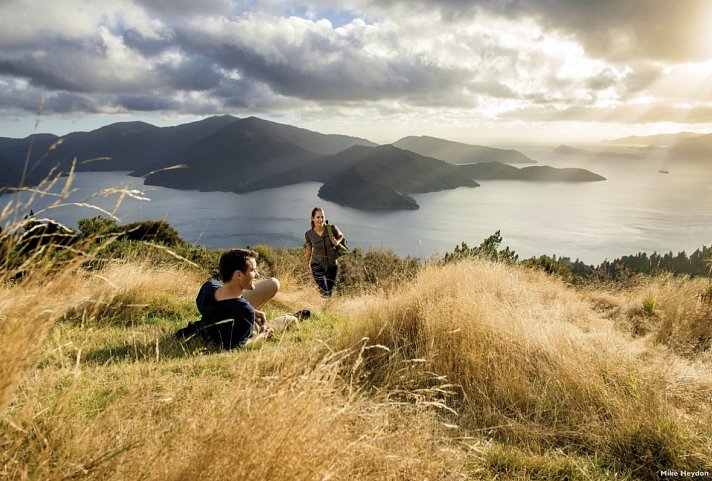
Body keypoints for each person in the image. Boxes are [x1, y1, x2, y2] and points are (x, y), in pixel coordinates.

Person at [177, 248, 298, 349]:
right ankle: (292, 316)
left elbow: (220, 292)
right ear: (239, 274)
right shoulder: (245, 311)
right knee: (292, 320)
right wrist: (262, 336)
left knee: (273, 283)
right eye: (252, 270)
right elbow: (239, 346)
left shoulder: (208, 287)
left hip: (226, 310)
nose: (257, 274)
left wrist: (252, 311)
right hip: (242, 319)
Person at [305, 207, 344, 296]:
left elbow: (341, 235)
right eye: (318, 217)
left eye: (322, 217)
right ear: (313, 218)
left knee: (330, 290)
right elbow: (308, 249)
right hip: (317, 264)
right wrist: (307, 264)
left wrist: (336, 242)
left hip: (332, 264)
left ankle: (327, 308)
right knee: (323, 290)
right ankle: (324, 305)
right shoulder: (309, 234)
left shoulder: (331, 229)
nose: (320, 219)